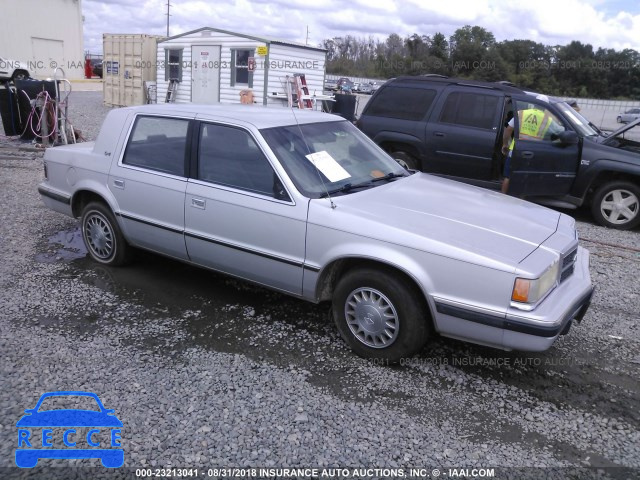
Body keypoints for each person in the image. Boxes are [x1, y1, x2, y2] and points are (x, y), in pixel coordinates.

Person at [500, 105, 559, 193]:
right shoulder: (548, 120)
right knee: (526, 178)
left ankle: (502, 197)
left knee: (508, 176)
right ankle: (522, 202)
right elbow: (560, 132)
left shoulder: (521, 113)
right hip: (533, 153)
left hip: (516, 149)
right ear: (544, 108)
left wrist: (505, 144)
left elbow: (508, 130)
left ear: (533, 105)